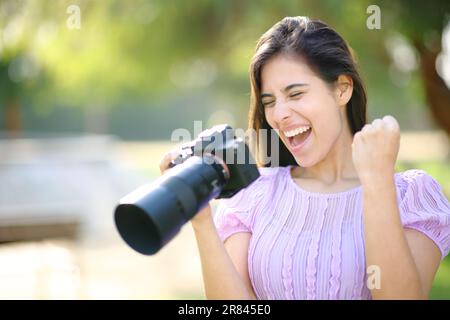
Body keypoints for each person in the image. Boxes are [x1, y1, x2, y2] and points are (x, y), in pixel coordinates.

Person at [159, 16, 450, 300]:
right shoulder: (255, 195)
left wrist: (377, 181)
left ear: (342, 89)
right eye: (269, 101)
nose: (279, 114)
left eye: (295, 94)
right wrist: (201, 220)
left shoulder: (410, 196)